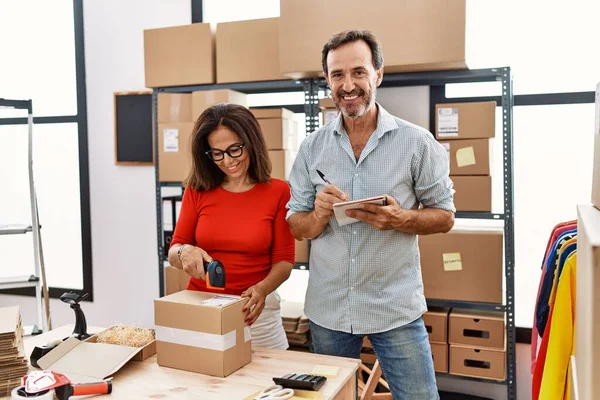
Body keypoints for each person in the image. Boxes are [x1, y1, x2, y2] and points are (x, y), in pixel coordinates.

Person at [286, 30, 455, 399]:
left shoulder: (416, 142)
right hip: (329, 308)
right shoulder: (312, 148)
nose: (348, 85)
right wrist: (317, 215)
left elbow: (445, 216)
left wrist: (402, 219)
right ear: (328, 81)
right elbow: (295, 224)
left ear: (378, 74)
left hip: (394, 307)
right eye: (337, 75)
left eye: (358, 72)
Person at [168, 103, 295, 350]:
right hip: (204, 310)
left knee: (268, 383)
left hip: (256, 313)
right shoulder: (197, 190)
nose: (227, 161)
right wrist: (185, 251)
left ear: (251, 143)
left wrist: (261, 289)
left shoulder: (279, 192)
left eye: (234, 149)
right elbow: (174, 252)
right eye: (217, 153)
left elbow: (284, 261)